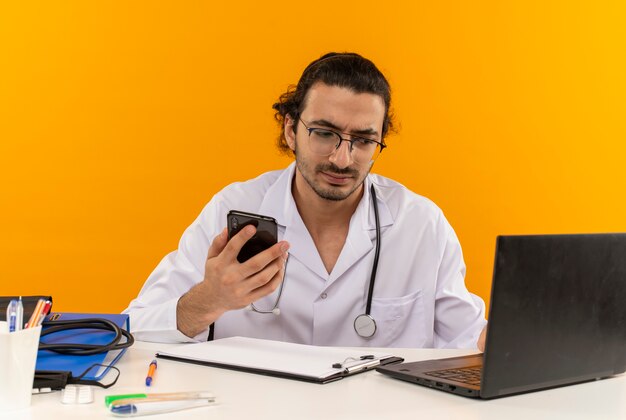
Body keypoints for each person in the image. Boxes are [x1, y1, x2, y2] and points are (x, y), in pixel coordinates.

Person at [124, 52, 487, 349]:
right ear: (289, 130)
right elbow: (135, 327)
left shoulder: (421, 224)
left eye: (363, 141)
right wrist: (210, 299)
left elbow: (469, 341)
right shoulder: (232, 207)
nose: (342, 159)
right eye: (324, 134)